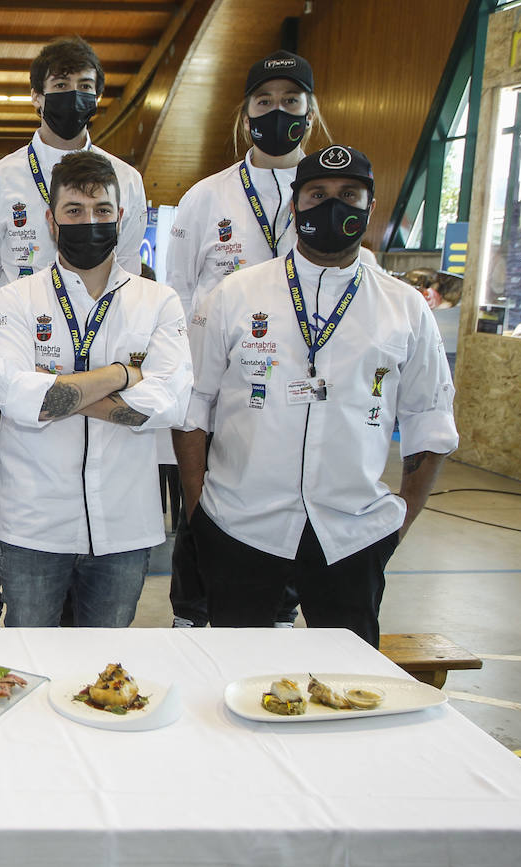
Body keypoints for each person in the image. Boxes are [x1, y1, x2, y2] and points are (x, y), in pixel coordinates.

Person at [176, 146, 458, 648]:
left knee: (348, 690)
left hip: (353, 532)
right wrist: (199, 509)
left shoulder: (405, 308)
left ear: (370, 208)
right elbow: (192, 407)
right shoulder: (235, 295)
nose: (333, 206)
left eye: (349, 195)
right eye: (318, 194)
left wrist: (400, 520)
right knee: (235, 674)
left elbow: (429, 420)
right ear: (294, 207)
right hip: (241, 524)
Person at [0, 36, 148, 627]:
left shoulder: (124, 178)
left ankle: (74, 610)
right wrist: (23, 337)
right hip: (20, 362)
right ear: (37, 96)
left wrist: (97, 376)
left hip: (99, 366)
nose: (75, 98)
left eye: (86, 87)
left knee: (87, 480)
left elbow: (130, 271)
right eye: (62, 87)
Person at [165, 49, 333, 630]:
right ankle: (191, 612)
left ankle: (280, 610)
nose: (277, 112)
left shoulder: (328, 191)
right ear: (245, 114)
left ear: (309, 114)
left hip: (296, 388)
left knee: (287, 501)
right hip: (220, 381)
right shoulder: (206, 198)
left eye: (291, 101)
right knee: (204, 501)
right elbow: (180, 296)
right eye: (264, 102)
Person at [0, 152, 190, 626]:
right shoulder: (18, 298)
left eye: (101, 211)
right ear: (51, 221)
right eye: (74, 210)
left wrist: (55, 393)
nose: (88, 221)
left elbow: (169, 403)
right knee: (28, 659)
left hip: (124, 527)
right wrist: (122, 374)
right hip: (33, 527)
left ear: (120, 217)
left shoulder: (157, 301)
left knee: (104, 671)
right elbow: (18, 398)